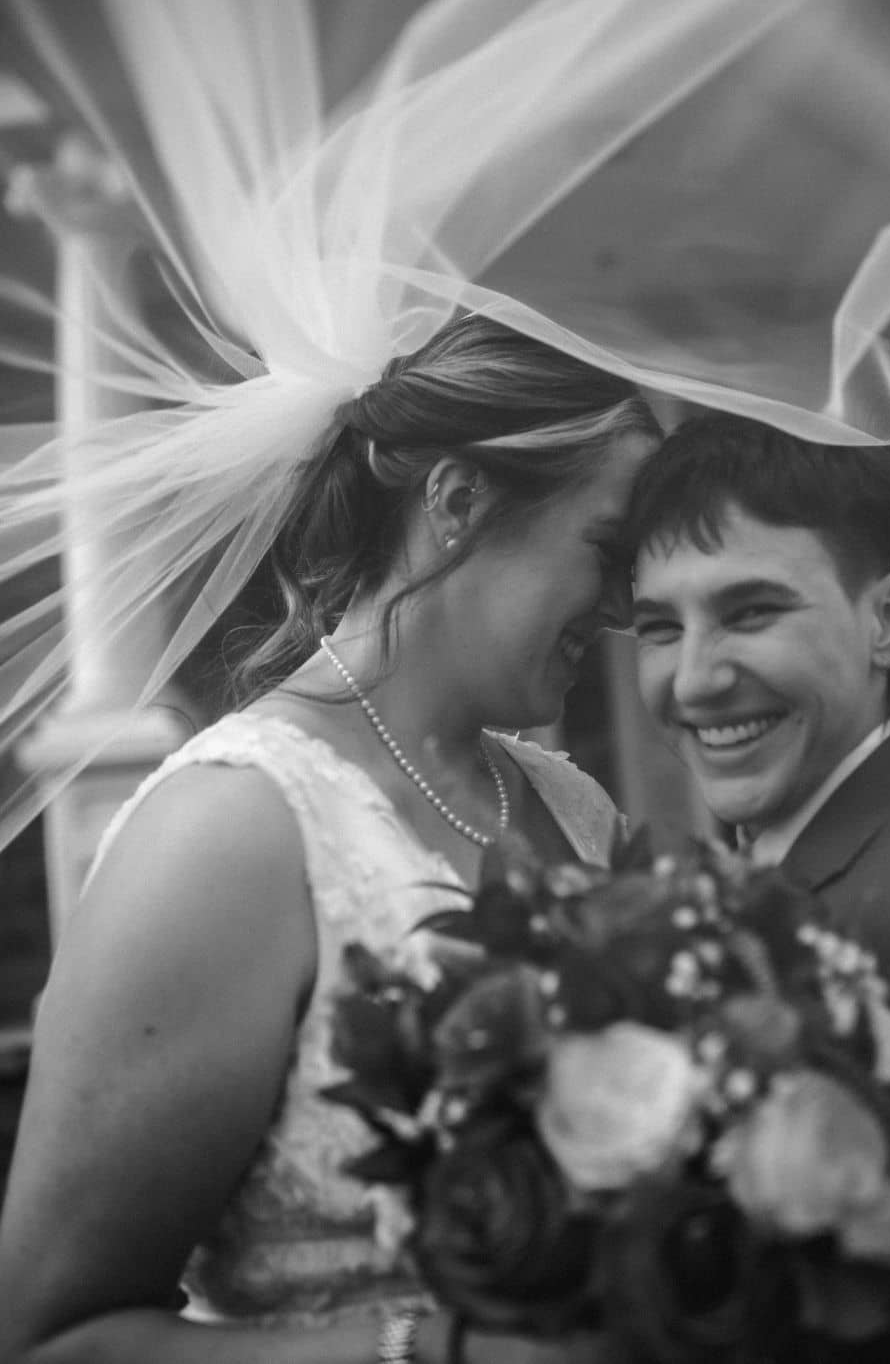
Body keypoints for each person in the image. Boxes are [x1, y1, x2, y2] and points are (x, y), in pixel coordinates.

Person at [0, 312, 659, 1364]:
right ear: (456, 499)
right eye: (607, 550)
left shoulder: (569, 804)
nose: (628, 610)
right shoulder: (228, 832)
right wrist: (426, 1351)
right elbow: (50, 1338)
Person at [627, 410, 890, 1363]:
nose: (693, 680)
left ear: (888, 618)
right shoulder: (751, 874)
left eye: (751, 613)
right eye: (656, 627)